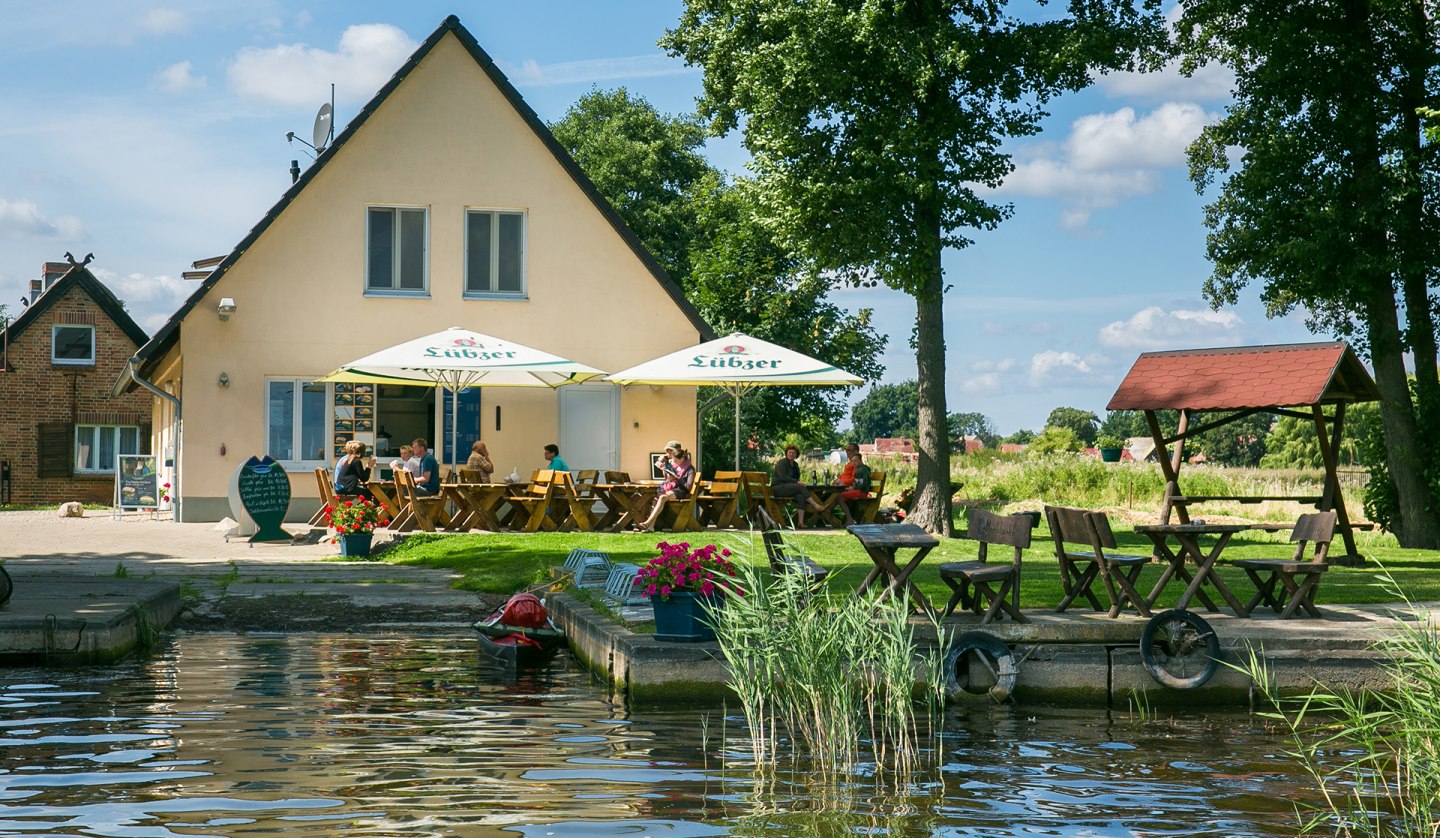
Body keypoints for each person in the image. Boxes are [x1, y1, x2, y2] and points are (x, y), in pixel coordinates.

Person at [634, 441, 694, 532]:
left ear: (681, 457)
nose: (674, 462)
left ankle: (647, 523)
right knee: (654, 497)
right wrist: (666, 470)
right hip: (671, 488)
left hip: (680, 490)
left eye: (676, 460)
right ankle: (650, 527)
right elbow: (667, 478)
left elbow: (688, 486)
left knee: (662, 497)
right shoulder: (672, 463)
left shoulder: (689, 468)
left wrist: (677, 478)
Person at [773, 444, 824, 528]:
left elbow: (796, 479)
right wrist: (796, 482)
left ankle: (800, 523)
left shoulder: (795, 465)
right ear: (786, 453)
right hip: (778, 488)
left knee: (801, 497)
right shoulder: (781, 463)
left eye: (793, 453)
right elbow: (782, 477)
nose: (791, 454)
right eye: (789, 452)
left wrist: (796, 482)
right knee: (800, 487)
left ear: (796, 455)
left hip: (789, 488)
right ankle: (816, 505)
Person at [833, 442, 873, 526]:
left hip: (861, 492)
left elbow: (859, 482)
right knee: (833, 495)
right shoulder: (856, 468)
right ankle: (829, 516)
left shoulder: (862, 470)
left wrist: (850, 487)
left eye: (849, 450)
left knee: (838, 496)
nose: (847, 452)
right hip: (855, 490)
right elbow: (846, 476)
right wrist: (837, 480)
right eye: (846, 450)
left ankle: (847, 519)